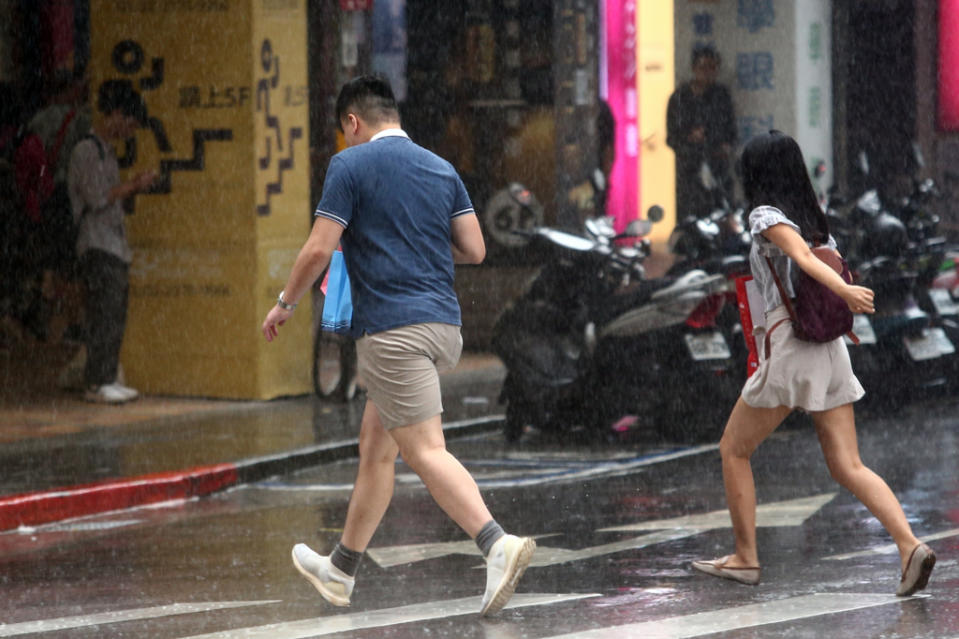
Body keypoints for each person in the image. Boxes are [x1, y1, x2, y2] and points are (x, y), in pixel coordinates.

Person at [260, 75, 536, 616]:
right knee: (376, 450)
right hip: (443, 329)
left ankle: (496, 543)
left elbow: (319, 248)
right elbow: (475, 249)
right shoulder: (440, 167)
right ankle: (340, 568)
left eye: (345, 132)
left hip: (392, 331)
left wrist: (285, 304)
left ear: (352, 123)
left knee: (425, 450)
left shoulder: (349, 166)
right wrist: (416, 246)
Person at [691, 131, 935, 597]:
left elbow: (802, 259)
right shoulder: (815, 218)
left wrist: (844, 292)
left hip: (794, 348)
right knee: (848, 465)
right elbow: (815, 263)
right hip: (827, 347)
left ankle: (745, 558)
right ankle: (910, 546)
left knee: (733, 450)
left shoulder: (765, 216)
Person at [67, 80, 157, 404]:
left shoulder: (107, 152)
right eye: (129, 122)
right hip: (95, 242)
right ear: (115, 114)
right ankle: (96, 380)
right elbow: (95, 198)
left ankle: (106, 376)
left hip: (113, 243)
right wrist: (133, 185)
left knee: (115, 312)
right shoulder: (86, 151)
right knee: (102, 313)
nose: (129, 130)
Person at [666, 44, 737, 219]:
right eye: (703, 67)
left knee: (722, 218)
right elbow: (672, 137)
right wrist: (690, 139)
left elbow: (730, 131)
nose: (708, 73)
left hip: (718, 168)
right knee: (691, 221)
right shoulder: (680, 98)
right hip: (689, 173)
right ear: (694, 68)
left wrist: (722, 146)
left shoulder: (721, 95)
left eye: (713, 68)